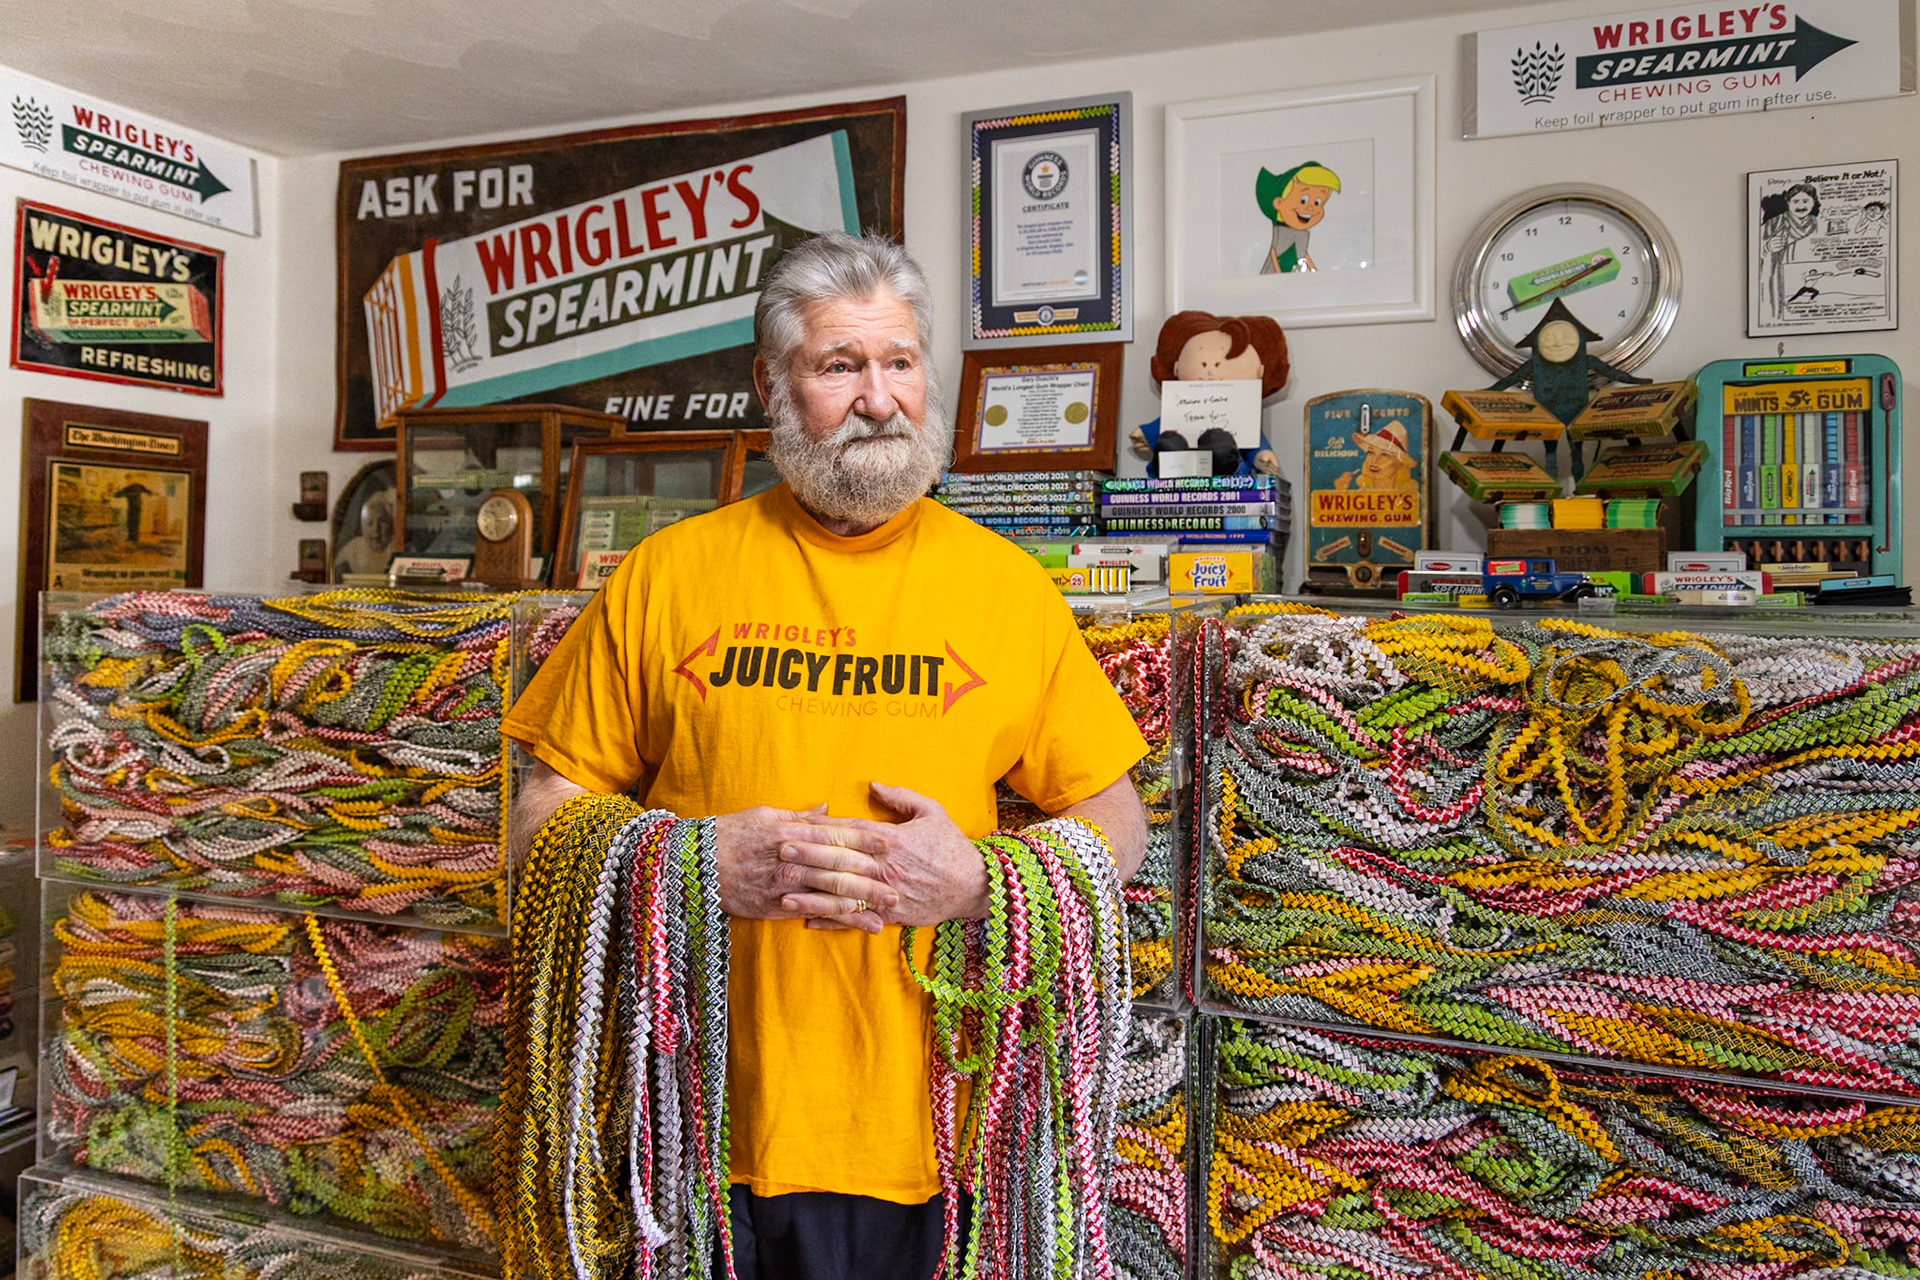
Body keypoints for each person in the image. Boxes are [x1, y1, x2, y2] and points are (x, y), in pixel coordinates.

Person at [501, 231, 1149, 1280]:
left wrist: (981, 878)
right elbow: (538, 822)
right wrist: (696, 863)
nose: (880, 398)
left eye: (900, 361)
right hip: (688, 1122)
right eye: (839, 365)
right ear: (773, 383)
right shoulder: (667, 577)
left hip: (927, 1131)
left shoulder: (1008, 590)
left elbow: (1118, 820)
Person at [1255, 160, 1341, 273]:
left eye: (1317, 202)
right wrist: (1278, 274)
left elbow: (1303, 253)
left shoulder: (1302, 235)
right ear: (1279, 203)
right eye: (1303, 200)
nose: (1310, 208)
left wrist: (1314, 270)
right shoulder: (1281, 233)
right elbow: (1274, 253)